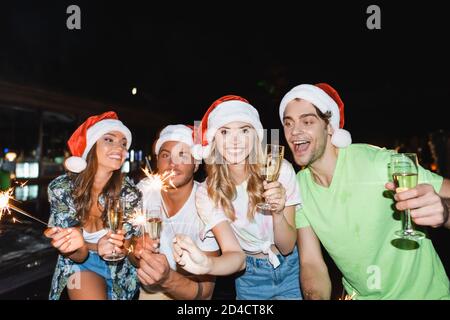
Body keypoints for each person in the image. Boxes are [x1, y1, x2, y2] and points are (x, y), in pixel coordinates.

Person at [279, 83, 450, 299]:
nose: (295, 131)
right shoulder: (298, 187)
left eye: (307, 121)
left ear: (329, 126)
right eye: (288, 123)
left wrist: (445, 212)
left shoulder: (380, 163)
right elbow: (311, 263)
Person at [173, 95, 302, 300]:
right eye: (224, 131)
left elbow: (287, 247)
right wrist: (207, 264)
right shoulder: (207, 192)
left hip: (291, 269)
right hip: (249, 277)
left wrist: (277, 213)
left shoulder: (279, 171)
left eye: (244, 130)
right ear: (214, 139)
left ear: (255, 136)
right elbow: (236, 256)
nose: (235, 141)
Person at [44, 111, 141, 300]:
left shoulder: (130, 193)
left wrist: (121, 247)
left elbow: (127, 246)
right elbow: (78, 254)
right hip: (79, 266)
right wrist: (94, 246)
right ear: (90, 146)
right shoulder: (62, 188)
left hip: (120, 272)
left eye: (123, 143)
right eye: (109, 140)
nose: (119, 147)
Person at [130, 124, 220, 300]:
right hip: (148, 292)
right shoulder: (143, 192)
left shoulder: (208, 202)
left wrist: (167, 279)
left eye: (182, 154)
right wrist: (136, 250)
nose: (172, 163)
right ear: (157, 162)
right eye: (165, 155)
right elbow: (129, 252)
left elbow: (205, 292)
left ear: (196, 165)